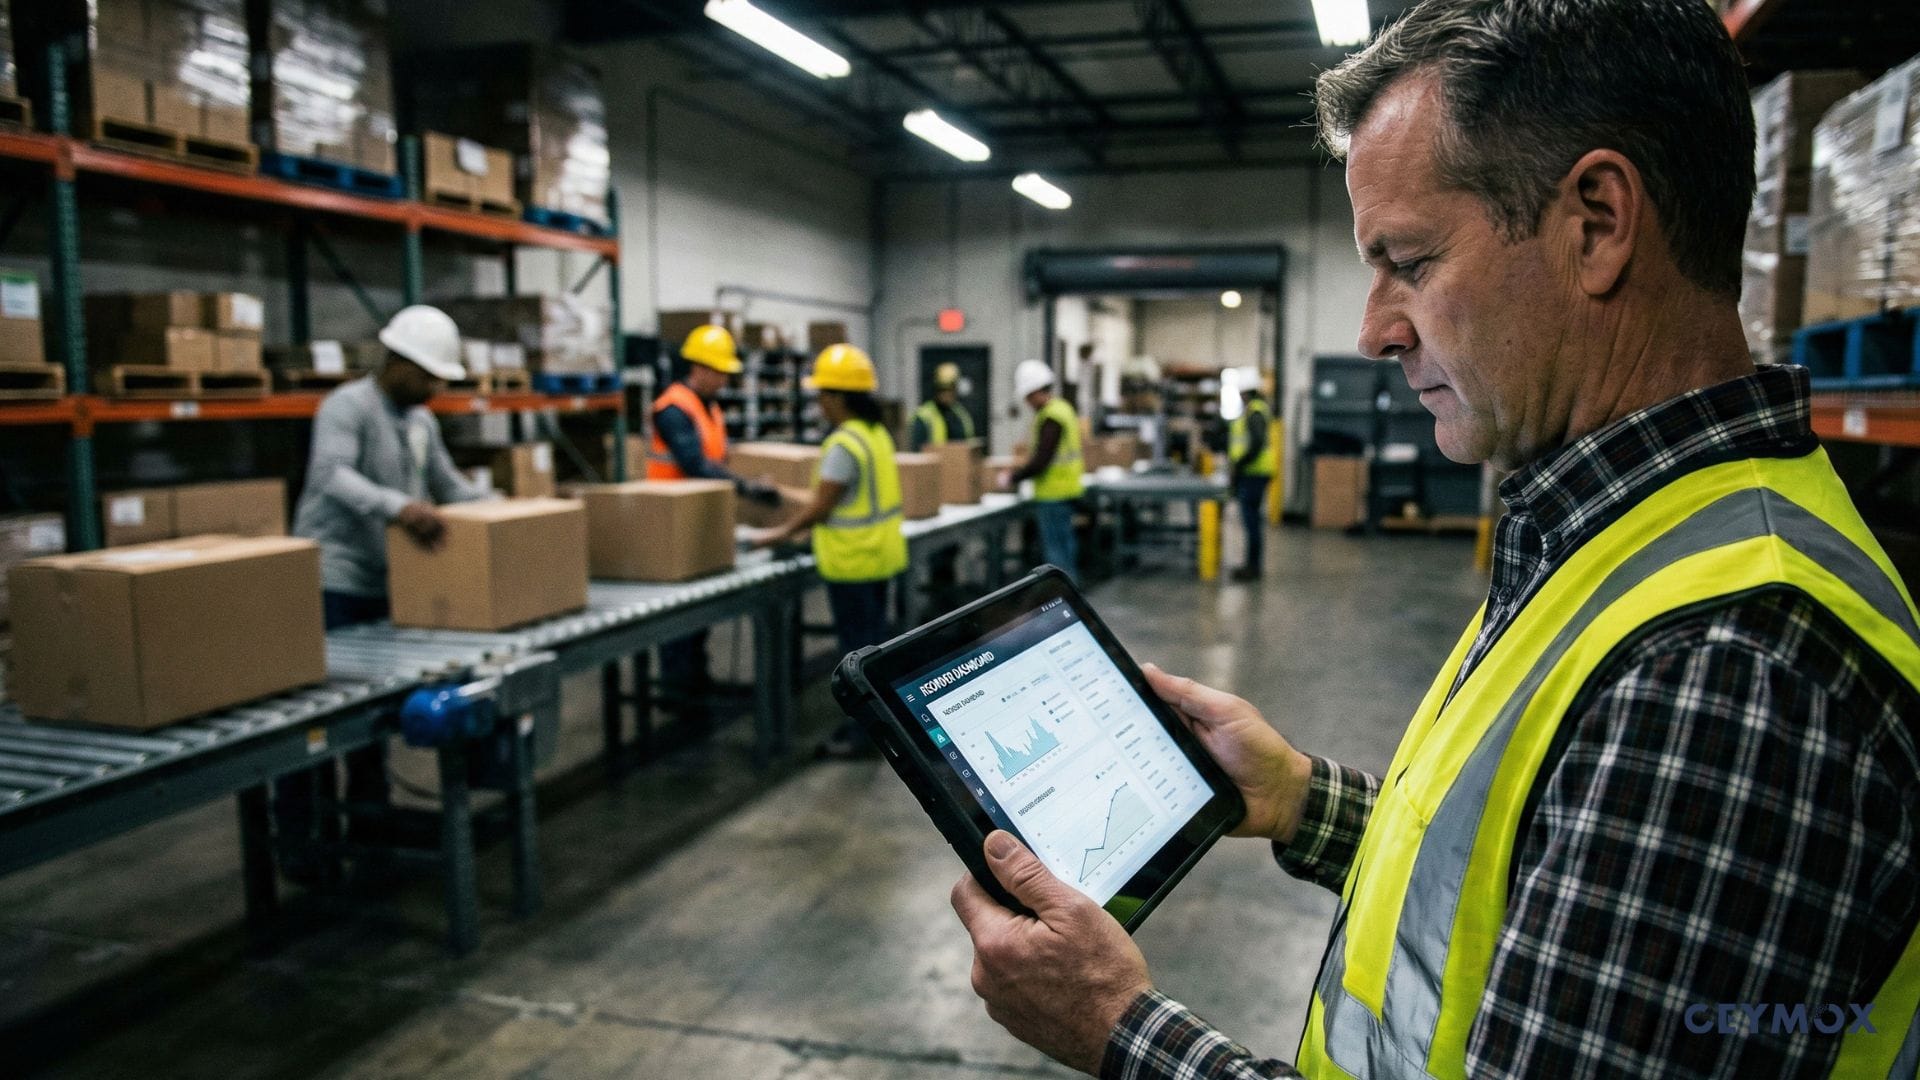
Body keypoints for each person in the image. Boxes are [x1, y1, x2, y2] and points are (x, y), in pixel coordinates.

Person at [949, 2, 1920, 1077]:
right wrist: (1305, 801)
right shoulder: (1636, 539)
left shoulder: (1727, 667)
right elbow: (1535, 899)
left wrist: (1121, 1030)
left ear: (1597, 222)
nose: (1373, 330)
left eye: (1407, 261)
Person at [284, 304, 489, 883]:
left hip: (384, 585)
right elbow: (332, 476)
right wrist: (400, 508)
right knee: (314, 721)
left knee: (372, 713)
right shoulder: (345, 408)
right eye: (426, 377)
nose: (432, 389)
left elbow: (448, 487)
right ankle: (303, 840)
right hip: (334, 583)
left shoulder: (421, 423)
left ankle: (368, 822)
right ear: (397, 362)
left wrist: (516, 514)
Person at [751, 344, 908, 758]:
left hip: (852, 563)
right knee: (873, 652)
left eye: (822, 394)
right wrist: (782, 493)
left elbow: (822, 507)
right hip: (880, 557)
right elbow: (835, 497)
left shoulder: (843, 444)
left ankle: (862, 738)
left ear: (838, 397)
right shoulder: (875, 435)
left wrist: (777, 535)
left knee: (855, 661)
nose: (818, 402)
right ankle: (884, 731)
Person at [647, 323, 782, 707]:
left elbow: (718, 459)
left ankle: (695, 680)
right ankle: (677, 691)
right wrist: (748, 486)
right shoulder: (673, 408)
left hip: (700, 519)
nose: (724, 379)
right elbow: (694, 463)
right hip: (669, 522)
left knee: (699, 615)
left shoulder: (711, 408)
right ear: (700, 368)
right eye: (720, 371)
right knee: (678, 617)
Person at [1007, 359, 1084, 581]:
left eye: (1028, 396)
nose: (1028, 402)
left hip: (1054, 494)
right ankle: (1071, 593)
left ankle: (1062, 597)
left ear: (1037, 391)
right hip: (1065, 491)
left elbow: (1042, 459)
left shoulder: (1052, 416)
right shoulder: (1062, 409)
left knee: (1056, 556)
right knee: (1065, 549)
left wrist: (1014, 477)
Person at [1227, 368, 1276, 582]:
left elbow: (1255, 443)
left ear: (1245, 392)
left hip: (1254, 473)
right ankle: (1252, 565)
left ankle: (1253, 568)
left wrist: (1239, 464)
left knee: (1251, 521)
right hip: (1254, 472)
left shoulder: (1254, 411)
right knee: (1252, 520)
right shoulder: (1256, 409)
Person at [908, 362, 976, 451]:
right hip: (932, 464)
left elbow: (969, 448)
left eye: (950, 389)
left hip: (958, 463)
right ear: (936, 389)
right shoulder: (923, 417)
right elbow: (917, 454)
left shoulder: (961, 415)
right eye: (943, 389)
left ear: (955, 389)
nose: (946, 394)